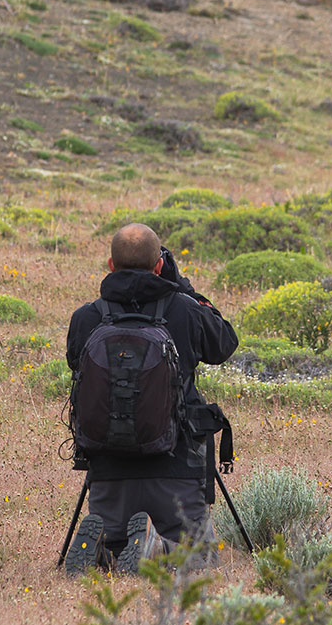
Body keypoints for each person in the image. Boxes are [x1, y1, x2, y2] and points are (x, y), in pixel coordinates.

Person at [64, 223, 238, 575]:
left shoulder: (86, 318)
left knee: (117, 543)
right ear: (160, 266)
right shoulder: (186, 310)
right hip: (177, 469)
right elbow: (224, 343)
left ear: (110, 266)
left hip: (107, 471)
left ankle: (103, 549)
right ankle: (156, 546)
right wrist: (184, 288)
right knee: (200, 559)